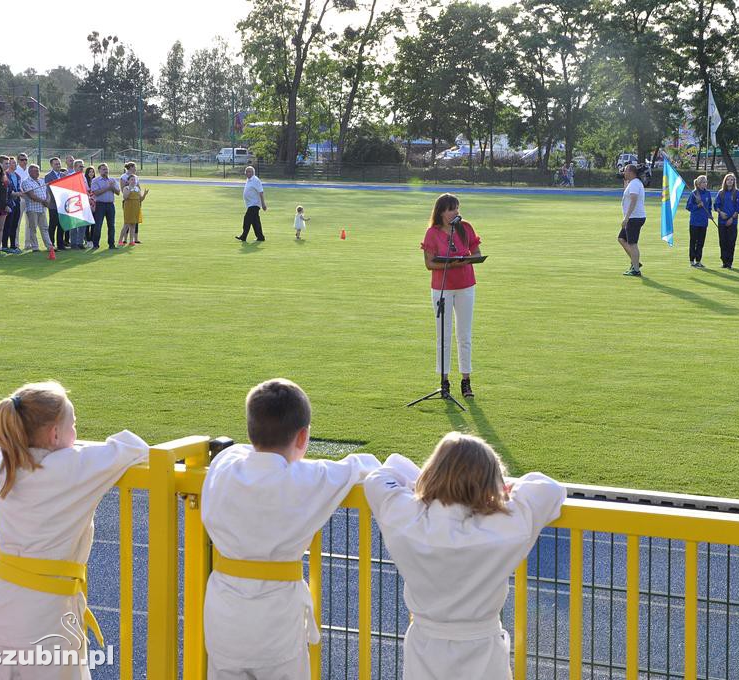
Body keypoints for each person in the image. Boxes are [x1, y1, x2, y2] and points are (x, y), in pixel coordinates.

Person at [201, 378, 380, 680]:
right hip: (276, 623)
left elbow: (235, 452)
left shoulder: (225, 466)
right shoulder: (305, 479)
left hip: (223, 616)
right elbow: (362, 465)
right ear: (302, 437)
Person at [363, 432, 566, 680]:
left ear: (431, 474)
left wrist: (427, 483)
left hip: (424, 649)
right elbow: (547, 488)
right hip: (483, 652)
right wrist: (501, 491)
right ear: (490, 486)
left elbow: (384, 473)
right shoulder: (502, 529)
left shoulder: (406, 519)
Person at [0, 381, 148, 678]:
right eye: (74, 425)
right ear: (55, 434)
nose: (77, 434)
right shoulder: (70, 469)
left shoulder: (3, 461)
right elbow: (134, 447)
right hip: (45, 614)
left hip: (0, 600)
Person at [421, 193, 482, 398]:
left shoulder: (466, 228)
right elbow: (429, 264)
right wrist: (450, 263)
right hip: (442, 288)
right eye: (451, 209)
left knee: (464, 335)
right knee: (443, 336)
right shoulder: (432, 233)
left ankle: (466, 381)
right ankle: (444, 381)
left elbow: (476, 253)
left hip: (466, 286)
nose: (456, 212)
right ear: (441, 212)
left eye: (457, 208)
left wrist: (465, 260)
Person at [618, 164, 646, 276]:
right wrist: (625, 182)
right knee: (621, 238)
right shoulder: (633, 183)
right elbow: (627, 195)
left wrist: (626, 218)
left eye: (625, 171)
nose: (623, 173)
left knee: (633, 243)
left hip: (634, 218)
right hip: (634, 217)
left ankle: (636, 270)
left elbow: (633, 200)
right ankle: (636, 263)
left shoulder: (634, 184)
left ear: (630, 172)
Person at [20, 164, 53, 253]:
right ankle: (35, 247)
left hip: (42, 208)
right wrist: (44, 201)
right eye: (35, 171)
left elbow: (47, 193)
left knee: (44, 228)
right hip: (32, 209)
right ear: (30, 172)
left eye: (38, 171)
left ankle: (49, 246)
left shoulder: (42, 181)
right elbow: (32, 196)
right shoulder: (26, 182)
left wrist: (47, 200)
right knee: (33, 228)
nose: (37, 173)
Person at [714, 173, 739, 268]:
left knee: (731, 242)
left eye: (732, 179)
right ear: (725, 181)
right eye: (728, 179)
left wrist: (731, 218)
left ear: (734, 181)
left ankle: (729, 262)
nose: (730, 181)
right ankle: (724, 262)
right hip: (722, 221)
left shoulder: (737, 193)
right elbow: (716, 205)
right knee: (723, 242)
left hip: (732, 222)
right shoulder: (721, 192)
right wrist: (720, 213)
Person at [685, 175, 713, 268]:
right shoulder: (694, 193)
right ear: (698, 183)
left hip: (704, 222)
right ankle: (692, 260)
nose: (704, 184)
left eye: (705, 182)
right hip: (694, 222)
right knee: (693, 241)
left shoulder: (708, 193)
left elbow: (709, 206)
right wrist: (697, 206)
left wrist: (710, 214)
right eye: (702, 182)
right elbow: (688, 207)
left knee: (701, 242)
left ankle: (698, 260)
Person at [91, 163, 120, 249]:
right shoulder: (95, 180)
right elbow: (96, 193)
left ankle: (111, 244)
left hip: (110, 205)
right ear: (99, 171)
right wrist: (108, 187)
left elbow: (118, 192)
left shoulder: (112, 180)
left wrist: (112, 187)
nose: (106, 171)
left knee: (111, 225)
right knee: (98, 225)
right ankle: (95, 244)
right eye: (103, 169)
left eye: (106, 169)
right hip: (100, 205)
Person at [238, 166, 267, 242]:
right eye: (247, 171)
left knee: (247, 219)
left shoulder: (255, 180)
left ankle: (243, 236)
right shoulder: (249, 180)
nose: (248, 173)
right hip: (250, 204)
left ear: (253, 172)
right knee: (255, 221)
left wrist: (263, 204)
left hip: (254, 204)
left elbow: (261, 192)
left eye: (249, 171)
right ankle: (260, 237)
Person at [44, 157, 67, 250]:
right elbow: (49, 190)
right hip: (53, 204)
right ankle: (51, 244)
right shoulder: (48, 176)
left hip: (63, 205)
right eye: (56, 164)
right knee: (53, 224)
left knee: (62, 225)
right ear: (51, 165)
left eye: (59, 164)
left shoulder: (63, 175)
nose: (58, 165)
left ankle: (60, 244)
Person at [118, 175, 147, 246]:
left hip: (136, 207)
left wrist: (144, 195)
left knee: (133, 225)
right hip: (128, 207)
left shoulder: (137, 188)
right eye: (132, 180)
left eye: (134, 180)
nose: (133, 181)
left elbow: (140, 199)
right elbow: (125, 197)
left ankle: (131, 241)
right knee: (126, 224)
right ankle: (120, 241)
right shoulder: (126, 188)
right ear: (128, 181)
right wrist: (130, 189)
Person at [3, 157, 23, 253]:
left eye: (15, 163)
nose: (14, 165)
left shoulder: (18, 176)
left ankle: (13, 245)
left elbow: (18, 188)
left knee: (15, 224)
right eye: (12, 163)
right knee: (8, 224)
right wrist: (14, 193)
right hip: (9, 202)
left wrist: (20, 192)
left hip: (17, 202)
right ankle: (4, 245)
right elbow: (7, 191)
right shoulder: (5, 175)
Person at [120, 162, 142, 242]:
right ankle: (124, 239)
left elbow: (138, 187)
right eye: (134, 167)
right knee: (128, 221)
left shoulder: (136, 177)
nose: (135, 169)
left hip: (136, 201)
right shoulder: (123, 176)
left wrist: (140, 196)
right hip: (128, 201)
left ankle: (135, 239)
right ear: (130, 167)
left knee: (135, 221)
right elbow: (123, 189)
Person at [83, 166, 98, 249]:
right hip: (86, 204)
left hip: (95, 204)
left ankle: (92, 240)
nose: (91, 173)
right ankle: (87, 240)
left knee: (93, 223)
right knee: (86, 223)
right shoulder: (85, 181)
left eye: (93, 172)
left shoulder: (96, 181)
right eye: (90, 172)